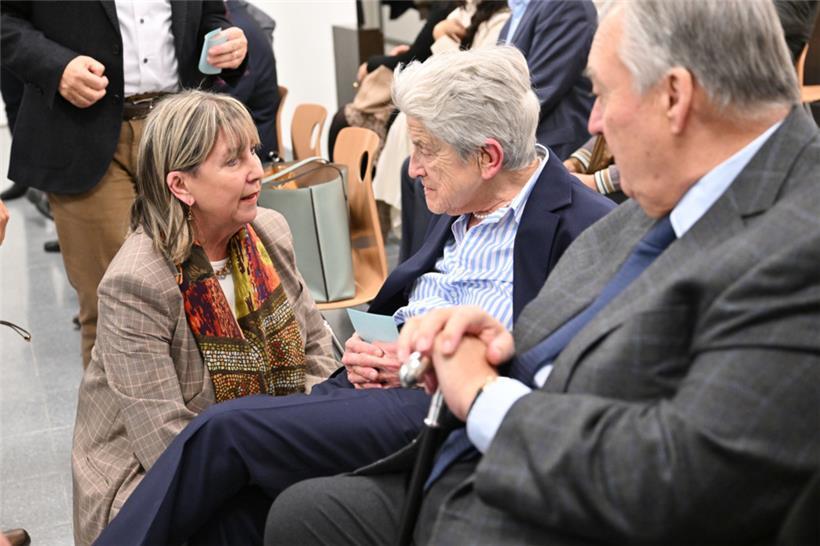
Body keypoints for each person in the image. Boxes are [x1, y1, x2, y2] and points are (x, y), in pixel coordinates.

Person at [266, 1, 820, 544]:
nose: (592, 123)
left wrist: (482, 393)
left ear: (673, 97)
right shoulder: (659, 201)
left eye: (601, 93)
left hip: (554, 502)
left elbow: (678, 479)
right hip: (488, 462)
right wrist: (491, 350)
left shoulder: (799, 241)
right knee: (288, 508)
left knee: (258, 466)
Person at [94, 46, 614, 546]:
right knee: (233, 515)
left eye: (424, 150)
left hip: (433, 403)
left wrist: (418, 363)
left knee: (224, 431)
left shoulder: (585, 231)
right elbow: (345, 337)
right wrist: (369, 355)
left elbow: (559, 373)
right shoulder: (463, 200)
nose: (411, 168)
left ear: (489, 157)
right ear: (180, 185)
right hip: (362, 387)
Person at [71, 91, 338, 546]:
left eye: (253, 151)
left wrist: (309, 436)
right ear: (181, 185)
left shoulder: (268, 231)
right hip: (154, 482)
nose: (256, 170)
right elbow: (164, 443)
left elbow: (317, 352)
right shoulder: (137, 282)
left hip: (262, 448)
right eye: (233, 161)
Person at [1, 1, 249, 367]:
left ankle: (203, 423)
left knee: (205, 295)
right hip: (83, 135)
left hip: (180, 133)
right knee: (113, 307)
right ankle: (120, 425)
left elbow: (208, 16)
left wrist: (228, 45)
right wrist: (57, 68)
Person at [397, 0, 598, 260]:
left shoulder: (569, 6)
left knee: (437, 172)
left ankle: (425, 263)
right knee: (414, 171)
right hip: (506, 128)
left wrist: (465, 129)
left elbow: (535, 93)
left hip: (544, 135)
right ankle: (415, 271)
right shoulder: (521, 9)